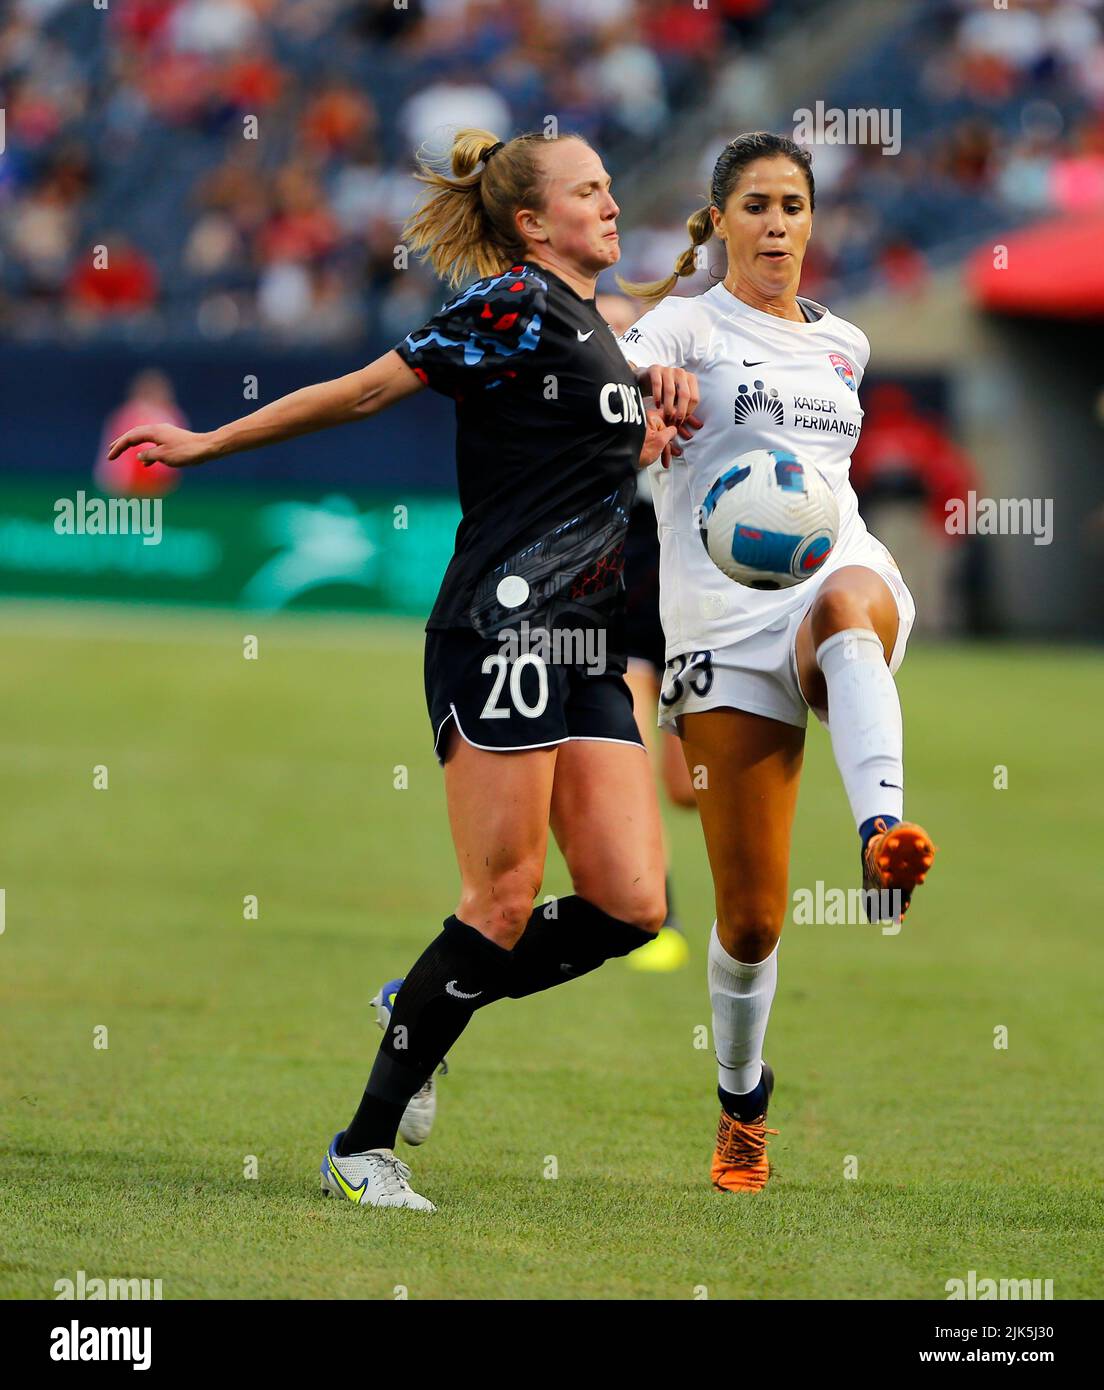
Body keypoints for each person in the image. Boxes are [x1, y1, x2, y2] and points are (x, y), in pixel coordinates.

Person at [107, 127, 700, 1213]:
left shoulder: (591, 331)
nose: (613, 203)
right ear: (532, 221)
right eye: (589, 191)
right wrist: (206, 444)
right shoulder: (509, 303)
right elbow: (367, 391)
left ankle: (416, 1005)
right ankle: (360, 1146)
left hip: (585, 645)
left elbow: (572, 457)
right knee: (505, 897)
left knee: (630, 904)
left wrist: (649, 433)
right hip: (501, 631)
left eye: (612, 186)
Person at [618, 131, 937, 1193]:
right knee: (751, 919)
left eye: (793, 205)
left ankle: (882, 830)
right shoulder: (685, 323)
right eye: (755, 205)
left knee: (854, 611)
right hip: (720, 624)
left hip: (830, 567)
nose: (777, 224)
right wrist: (645, 402)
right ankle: (743, 1105)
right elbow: (613, 385)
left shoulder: (844, 342)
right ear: (719, 223)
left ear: (813, 219)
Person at [596, 290, 695, 974]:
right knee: (628, 762)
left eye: (626, 330)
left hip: (690, 606)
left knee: (689, 788)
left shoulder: (684, 400)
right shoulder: (579, 410)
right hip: (621, 602)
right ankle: (660, 911)